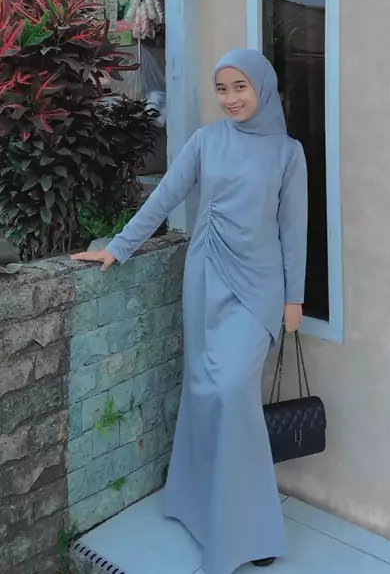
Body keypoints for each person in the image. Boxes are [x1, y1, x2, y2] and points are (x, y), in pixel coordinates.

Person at [71, 48, 308, 574]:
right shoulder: (206, 140)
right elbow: (164, 197)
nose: (231, 98)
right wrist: (118, 247)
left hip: (259, 291)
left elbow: (294, 230)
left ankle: (249, 529)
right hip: (205, 279)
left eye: (240, 87)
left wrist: (294, 298)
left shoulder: (288, 153)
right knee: (204, 392)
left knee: (231, 392)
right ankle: (198, 506)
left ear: (263, 88)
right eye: (222, 89)